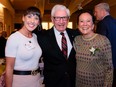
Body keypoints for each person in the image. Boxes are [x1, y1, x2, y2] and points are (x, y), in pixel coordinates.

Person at [36, 4, 80, 87]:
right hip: (53, 82)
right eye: (57, 18)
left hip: (73, 82)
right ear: (52, 19)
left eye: (64, 18)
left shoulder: (76, 34)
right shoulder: (43, 37)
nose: (61, 21)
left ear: (68, 19)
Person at [74, 10, 113, 87]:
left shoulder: (103, 40)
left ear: (92, 25)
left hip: (97, 84)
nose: (85, 24)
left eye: (88, 21)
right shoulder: (76, 40)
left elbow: (109, 68)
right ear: (78, 25)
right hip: (79, 83)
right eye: (81, 21)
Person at [5, 7, 43, 87]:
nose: (32, 21)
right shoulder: (14, 38)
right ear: (23, 18)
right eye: (29, 16)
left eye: (36, 18)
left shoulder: (35, 37)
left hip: (36, 81)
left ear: (38, 22)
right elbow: (9, 67)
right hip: (20, 82)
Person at [94, 3, 116, 87]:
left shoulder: (102, 24)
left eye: (96, 12)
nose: (95, 14)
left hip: (106, 64)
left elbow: (99, 46)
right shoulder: (115, 21)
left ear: (102, 11)